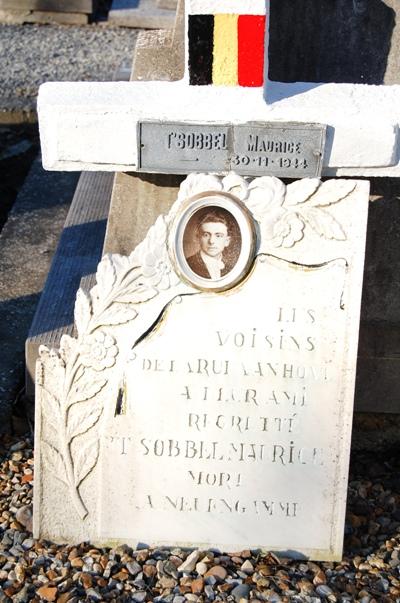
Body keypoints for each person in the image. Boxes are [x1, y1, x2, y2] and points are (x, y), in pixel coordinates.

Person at [186, 210, 234, 279]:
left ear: (227, 241)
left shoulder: (231, 270)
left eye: (218, 236)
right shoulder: (188, 265)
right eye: (206, 235)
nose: (211, 241)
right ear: (198, 238)